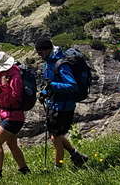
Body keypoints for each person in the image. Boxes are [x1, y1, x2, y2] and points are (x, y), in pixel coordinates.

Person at [35, 37, 89, 169]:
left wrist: (53, 85)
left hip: (64, 106)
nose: (39, 56)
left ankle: (58, 168)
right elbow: (50, 84)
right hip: (54, 104)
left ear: (48, 50)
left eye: (40, 53)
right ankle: (76, 155)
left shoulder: (61, 64)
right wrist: (44, 93)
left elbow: (72, 86)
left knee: (56, 138)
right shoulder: (48, 62)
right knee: (56, 136)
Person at [0, 51, 30, 183]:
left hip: (14, 115)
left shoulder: (15, 75)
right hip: (6, 114)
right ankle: (25, 170)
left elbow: (16, 98)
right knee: (12, 144)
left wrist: (4, 85)